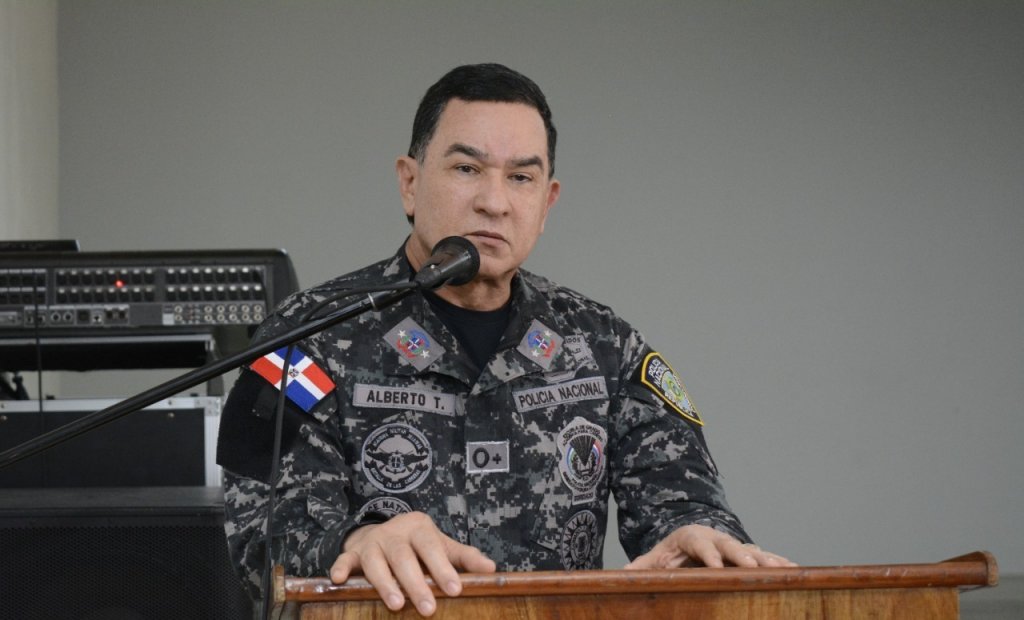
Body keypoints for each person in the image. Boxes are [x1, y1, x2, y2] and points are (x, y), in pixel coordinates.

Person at [216, 63, 793, 617]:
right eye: (467, 168)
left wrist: (696, 536)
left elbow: (684, 502)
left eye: (521, 177)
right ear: (410, 183)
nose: (494, 202)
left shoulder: (603, 346)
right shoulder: (306, 339)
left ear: (547, 203)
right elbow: (260, 539)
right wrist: (355, 542)